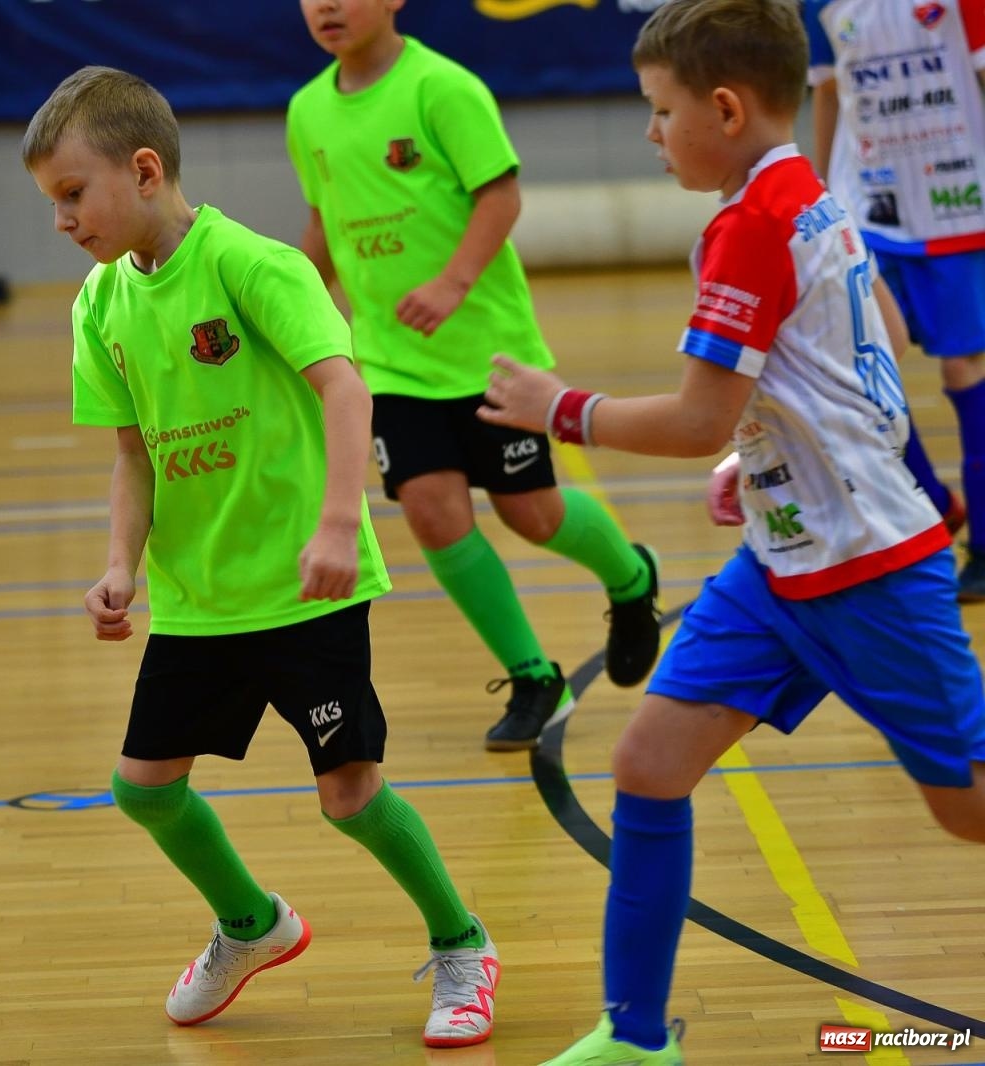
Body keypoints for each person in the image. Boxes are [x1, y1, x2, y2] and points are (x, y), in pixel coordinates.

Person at [477, 0, 985, 1061]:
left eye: (660, 113)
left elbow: (701, 409)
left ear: (722, 106)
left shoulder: (751, 224)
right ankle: (636, 1036)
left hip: (869, 571)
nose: (651, 134)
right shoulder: (809, 196)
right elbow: (866, 351)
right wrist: (756, 462)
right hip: (784, 558)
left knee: (966, 809)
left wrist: (560, 408)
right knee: (648, 766)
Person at [20, 65, 502, 1048]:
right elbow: (132, 453)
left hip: (305, 586)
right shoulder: (99, 305)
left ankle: (463, 942)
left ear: (144, 170)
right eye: (51, 202)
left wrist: (337, 524)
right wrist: (122, 566)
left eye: (74, 194)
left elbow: (342, 387)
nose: (62, 220)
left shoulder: (252, 265)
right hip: (200, 599)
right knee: (143, 787)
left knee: (349, 794)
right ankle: (251, 924)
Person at [286, 0, 664, 753]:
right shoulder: (305, 111)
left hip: (487, 349)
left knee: (532, 514)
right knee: (432, 511)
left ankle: (630, 578)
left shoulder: (443, 88)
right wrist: (292, 309)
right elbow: (324, 223)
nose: (326, 5)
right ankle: (533, 677)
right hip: (392, 363)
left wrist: (454, 284)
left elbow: (501, 195)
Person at [803, 0, 985, 597]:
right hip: (869, 208)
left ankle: (983, 544)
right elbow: (828, 93)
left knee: (964, 367)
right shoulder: (822, 5)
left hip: (957, 201)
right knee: (858, 366)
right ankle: (932, 506)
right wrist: (821, 195)